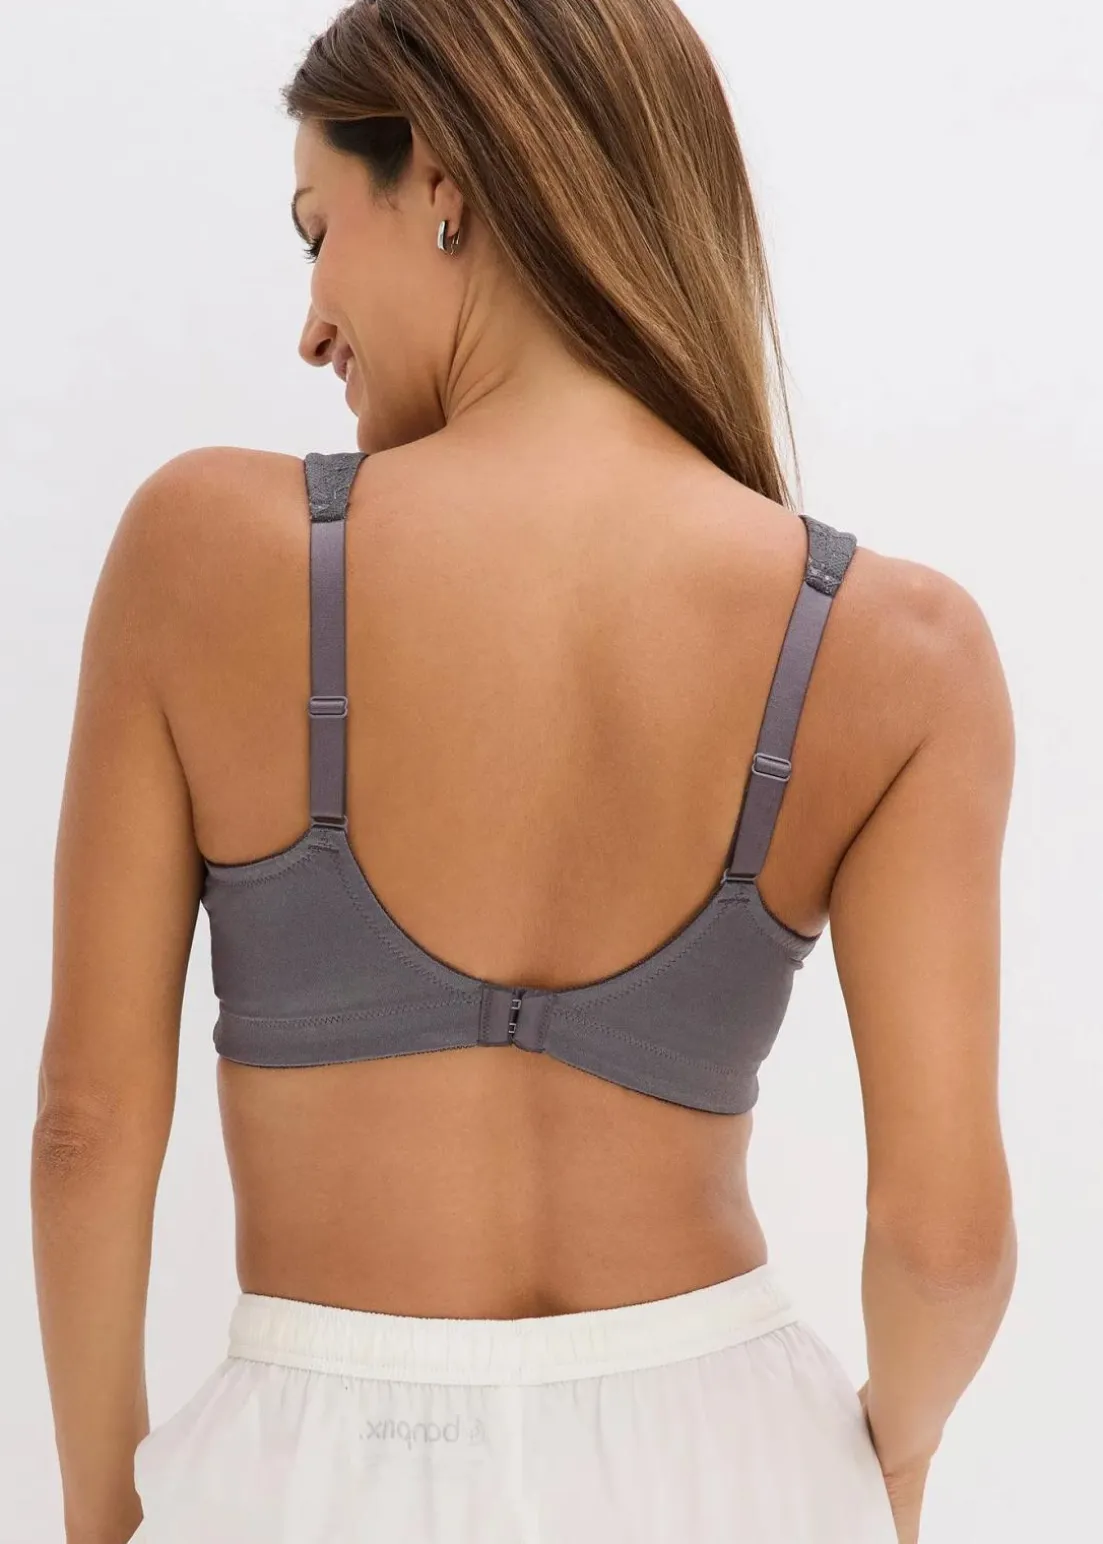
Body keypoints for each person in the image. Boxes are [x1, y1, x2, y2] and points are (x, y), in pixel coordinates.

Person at [31, 2, 1017, 1542]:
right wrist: (878, 1472)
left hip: (311, 1473)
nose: (309, 326)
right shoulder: (902, 649)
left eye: (316, 231)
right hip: (732, 1464)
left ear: (442, 184)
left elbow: (86, 1132)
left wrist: (105, 1514)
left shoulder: (202, 554)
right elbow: (946, 1244)